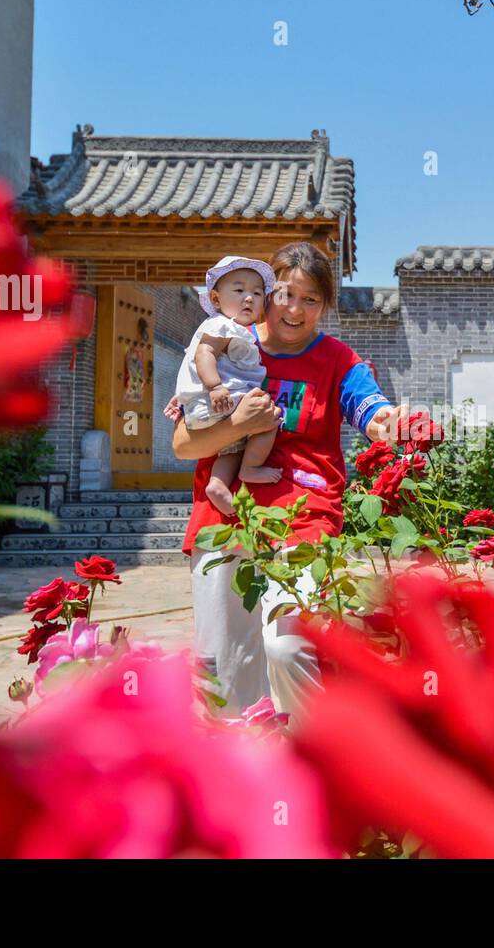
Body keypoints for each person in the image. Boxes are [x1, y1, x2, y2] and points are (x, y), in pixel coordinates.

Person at [173, 241, 406, 722]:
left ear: (325, 305)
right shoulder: (226, 344)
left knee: (288, 649)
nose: (295, 309)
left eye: (311, 300)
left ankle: (311, 762)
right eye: (284, 295)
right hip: (224, 519)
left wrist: (387, 423)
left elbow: (370, 407)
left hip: (304, 521)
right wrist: (239, 424)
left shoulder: (339, 361)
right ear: (265, 294)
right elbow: (183, 445)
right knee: (224, 672)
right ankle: (240, 782)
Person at [174, 256, 281, 514]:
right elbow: (204, 354)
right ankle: (251, 468)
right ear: (215, 299)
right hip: (221, 401)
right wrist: (215, 387)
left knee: (232, 448)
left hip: (208, 409)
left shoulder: (231, 328)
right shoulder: (222, 324)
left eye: (257, 293)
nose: (249, 298)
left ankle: (218, 484)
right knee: (271, 416)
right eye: (239, 290)